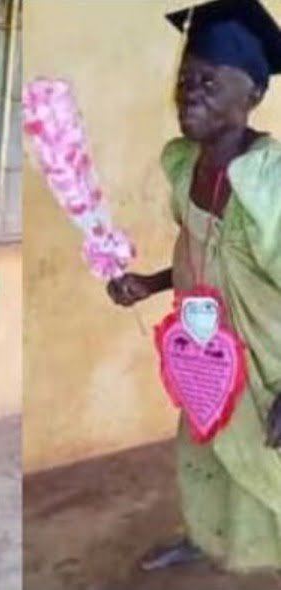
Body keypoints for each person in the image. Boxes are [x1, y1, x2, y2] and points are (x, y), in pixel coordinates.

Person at [107, 0, 281, 573]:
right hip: (206, 351)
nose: (191, 92)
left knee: (268, 466)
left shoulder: (271, 182)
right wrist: (151, 283)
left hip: (269, 365)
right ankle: (207, 536)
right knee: (201, 447)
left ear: (253, 95)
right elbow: (200, 252)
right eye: (185, 80)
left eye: (210, 80)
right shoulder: (185, 166)